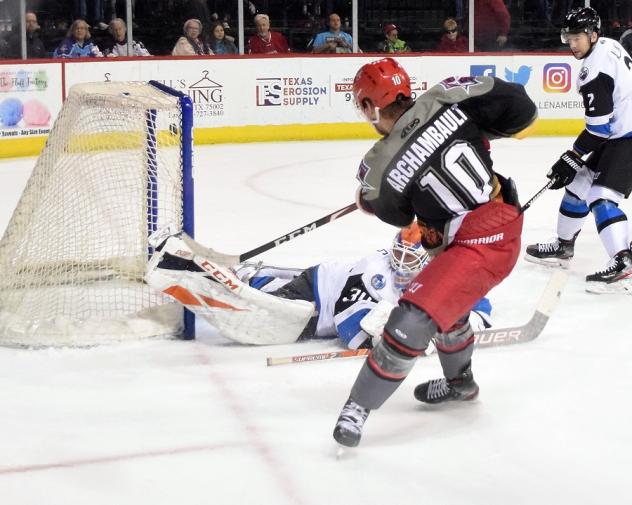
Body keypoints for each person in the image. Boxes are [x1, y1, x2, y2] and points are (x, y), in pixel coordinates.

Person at [331, 57, 537, 448]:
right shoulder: (446, 95)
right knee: (449, 307)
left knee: (412, 318)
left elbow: (394, 213)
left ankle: (357, 407)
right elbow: (520, 108)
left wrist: (367, 199)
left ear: (368, 106)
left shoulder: (376, 165)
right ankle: (461, 383)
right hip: (495, 225)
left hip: (480, 242)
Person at [234, 222, 493, 350]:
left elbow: (475, 300)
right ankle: (251, 278)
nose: (401, 262)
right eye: (399, 253)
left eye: (411, 256)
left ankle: (260, 274)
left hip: (332, 284)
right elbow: (347, 328)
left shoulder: (439, 272)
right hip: (319, 295)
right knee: (272, 312)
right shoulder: (375, 273)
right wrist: (392, 340)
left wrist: (472, 319)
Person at [525, 7, 632, 294]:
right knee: (579, 185)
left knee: (602, 196)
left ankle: (625, 264)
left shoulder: (593, 72)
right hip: (620, 132)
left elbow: (599, 130)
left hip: (626, 137)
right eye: (568, 38)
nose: (572, 45)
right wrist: (573, 162)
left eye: (577, 38)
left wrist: (571, 157)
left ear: (593, 35)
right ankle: (563, 246)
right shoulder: (610, 44)